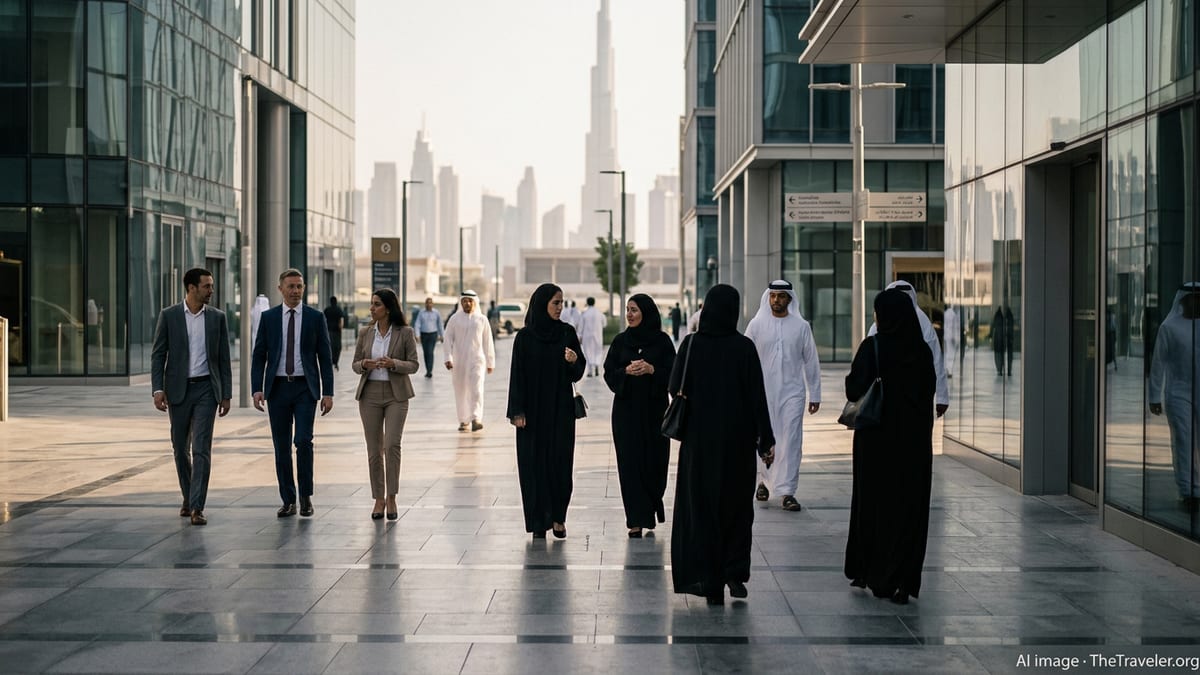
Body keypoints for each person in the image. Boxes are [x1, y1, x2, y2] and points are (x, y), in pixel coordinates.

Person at [670, 284, 775, 605]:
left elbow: (674, 387)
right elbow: (757, 397)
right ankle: (734, 571)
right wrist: (766, 440)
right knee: (736, 509)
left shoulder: (691, 345)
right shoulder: (743, 348)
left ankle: (709, 579)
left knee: (702, 509)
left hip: (699, 444)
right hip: (737, 444)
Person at [844, 288, 936, 605]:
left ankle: (870, 571)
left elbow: (853, 389)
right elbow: (928, 392)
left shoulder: (873, 347)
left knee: (873, 506)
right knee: (908, 510)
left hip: (875, 443)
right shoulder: (922, 351)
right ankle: (903, 581)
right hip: (912, 446)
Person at [151, 268, 232, 526]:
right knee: (179, 448)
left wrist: (226, 394)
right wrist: (157, 389)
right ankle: (188, 496)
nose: (211, 290)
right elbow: (158, 354)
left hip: (207, 389)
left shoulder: (217, 318)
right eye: (207, 286)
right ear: (191, 288)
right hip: (178, 390)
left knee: (201, 449)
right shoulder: (169, 315)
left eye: (212, 286)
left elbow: (224, 359)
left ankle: (197, 506)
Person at [251, 269, 335, 518]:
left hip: (304, 388)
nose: (296, 291)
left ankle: (305, 496)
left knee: (303, 441)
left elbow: (325, 357)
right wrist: (257, 388)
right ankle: (288, 500)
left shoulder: (315, 317)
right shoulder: (269, 318)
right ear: (281, 289)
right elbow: (259, 355)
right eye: (291, 286)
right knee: (281, 446)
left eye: (299, 286)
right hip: (277, 388)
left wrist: (328, 392)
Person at [507, 283, 586, 539]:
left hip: (560, 412)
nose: (560, 307)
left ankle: (558, 518)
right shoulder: (525, 338)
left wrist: (574, 361)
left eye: (561, 302)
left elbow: (578, 372)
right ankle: (538, 521)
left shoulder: (566, 333)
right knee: (533, 467)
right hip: (531, 415)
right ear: (542, 304)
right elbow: (517, 376)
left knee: (560, 464)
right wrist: (517, 411)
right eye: (555, 303)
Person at [744, 280, 821, 512]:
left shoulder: (801, 326)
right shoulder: (756, 325)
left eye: (781, 296)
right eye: (773, 295)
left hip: (793, 393)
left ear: (790, 299)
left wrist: (815, 393)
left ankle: (787, 491)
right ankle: (763, 482)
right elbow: (744, 356)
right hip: (762, 393)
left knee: (791, 440)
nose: (776, 300)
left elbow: (811, 360)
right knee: (763, 437)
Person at [603, 294, 676, 537]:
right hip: (626, 414)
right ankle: (635, 519)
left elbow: (674, 374)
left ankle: (651, 507)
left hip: (655, 413)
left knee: (655, 463)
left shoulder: (662, 342)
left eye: (634, 310)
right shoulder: (621, 341)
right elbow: (609, 373)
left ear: (646, 312)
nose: (629, 314)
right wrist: (625, 371)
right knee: (630, 465)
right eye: (627, 309)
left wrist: (652, 369)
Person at [352, 288, 419, 521]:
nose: (372, 308)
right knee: (374, 450)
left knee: (391, 445)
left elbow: (414, 365)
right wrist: (364, 364)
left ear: (388, 308)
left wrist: (393, 364)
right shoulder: (365, 332)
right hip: (369, 394)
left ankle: (392, 497)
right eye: (372, 304)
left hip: (396, 395)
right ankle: (378, 499)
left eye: (377, 304)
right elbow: (355, 364)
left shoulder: (405, 332)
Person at [1149, 283, 1200, 511]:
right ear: (1184, 301)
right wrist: (1154, 396)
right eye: (1193, 299)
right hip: (1178, 392)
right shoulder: (1169, 327)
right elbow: (1158, 363)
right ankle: (1188, 490)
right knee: (1184, 440)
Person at [868, 281, 949, 417]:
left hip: (908, 398)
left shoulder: (922, 322)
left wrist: (942, 398)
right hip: (901, 399)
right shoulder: (923, 322)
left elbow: (936, 362)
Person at [444, 290, 496, 432]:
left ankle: (476, 418)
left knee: (477, 389)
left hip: (477, 360)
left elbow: (488, 342)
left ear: (475, 302)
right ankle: (463, 420)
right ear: (461, 302)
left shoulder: (482, 320)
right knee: (461, 390)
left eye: (470, 301)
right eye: (464, 301)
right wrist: (448, 357)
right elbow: (447, 338)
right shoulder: (454, 319)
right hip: (459, 361)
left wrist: (490, 362)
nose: (467, 303)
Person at [414, 297, 444, 378]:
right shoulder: (421, 313)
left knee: (430, 352)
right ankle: (428, 369)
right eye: (427, 303)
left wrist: (442, 335)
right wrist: (417, 335)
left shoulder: (436, 313)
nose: (429, 304)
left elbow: (440, 324)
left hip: (433, 335)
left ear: (432, 304)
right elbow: (417, 324)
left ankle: (429, 371)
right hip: (424, 335)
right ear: (425, 304)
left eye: (430, 303)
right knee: (426, 353)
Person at [577, 296, 605, 377]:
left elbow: (580, 327)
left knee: (588, 352)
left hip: (587, 336)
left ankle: (589, 371)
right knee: (597, 351)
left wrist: (579, 336)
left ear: (587, 303)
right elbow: (604, 324)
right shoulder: (599, 313)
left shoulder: (584, 314)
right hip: (598, 336)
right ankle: (596, 367)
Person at [323, 296, 346, 370]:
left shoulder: (327, 310)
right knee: (337, 347)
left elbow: (323, 320)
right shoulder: (338, 310)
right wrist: (341, 328)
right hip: (337, 331)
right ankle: (335, 362)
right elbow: (341, 320)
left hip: (328, 331)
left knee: (329, 346)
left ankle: (330, 361)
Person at [943, 304, 960, 378]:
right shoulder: (953, 314)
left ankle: (947, 369)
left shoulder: (945, 313)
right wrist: (956, 338)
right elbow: (955, 327)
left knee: (947, 353)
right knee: (951, 354)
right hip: (951, 337)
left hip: (946, 336)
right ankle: (949, 370)